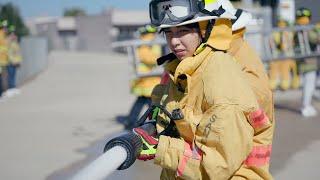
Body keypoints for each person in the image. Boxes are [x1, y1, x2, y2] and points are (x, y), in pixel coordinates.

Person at [133, 0, 273, 179]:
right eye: (168, 32)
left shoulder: (220, 77)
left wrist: (161, 148)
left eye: (183, 31)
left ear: (208, 30)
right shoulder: (187, 68)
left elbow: (216, 166)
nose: (174, 41)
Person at [117, 24, 162, 129]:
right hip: (146, 81)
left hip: (148, 80)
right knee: (151, 103)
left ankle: (132, 122)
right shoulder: (145, 45)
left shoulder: (146, 43)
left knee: (143, 102)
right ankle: (151, 122)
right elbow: (151, 59)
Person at [294, 7, 318, 117]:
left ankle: (306, 105)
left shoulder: (297, 28)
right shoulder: (307, 29)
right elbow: (315, 39)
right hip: (308, 62)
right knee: (309, 85)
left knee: (308, 84)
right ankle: (305, 106)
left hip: (303, 61)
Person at [269, 19, 300, 90]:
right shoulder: (275, 33)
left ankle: (288, 82)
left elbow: (291, 43)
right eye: (280, 24)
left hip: (287, 55)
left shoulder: (289, 33)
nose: (282, 26)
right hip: (277, 55)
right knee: (274, 68)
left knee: (289, 69)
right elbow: (272, 44)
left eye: (283, 24)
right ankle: (274, 82)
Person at [2, 25, 22, 97]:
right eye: (12, 33)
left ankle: (13, 88)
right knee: (10, 76)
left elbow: (17, 52)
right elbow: (7, 50)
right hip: (10, 61)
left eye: (14, 33)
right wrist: (10, 40)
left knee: (13, 75)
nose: (13, 34)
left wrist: (19, 61)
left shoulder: (15, 41)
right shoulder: (8, 40)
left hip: (15, 61)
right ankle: (11, 88)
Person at [0, 20, 8, 97]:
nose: (7, 29)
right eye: (5, 27)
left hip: (3, 60)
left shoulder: (3, 35)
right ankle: (1, 93)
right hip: (1, 61)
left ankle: (3, 93)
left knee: (4, 77)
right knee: (2, 78)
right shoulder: (1, 35)